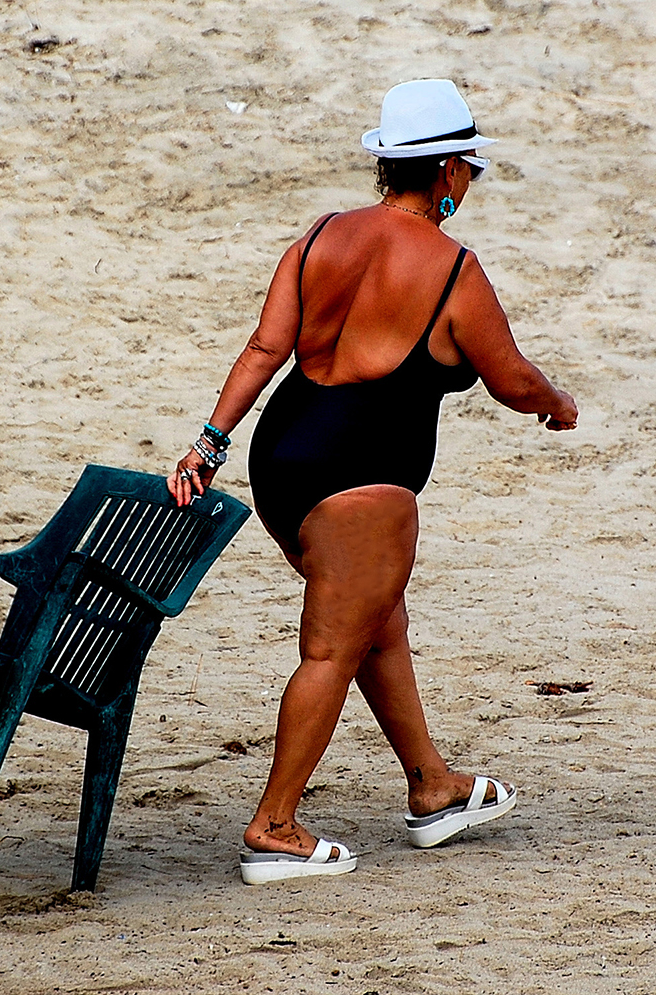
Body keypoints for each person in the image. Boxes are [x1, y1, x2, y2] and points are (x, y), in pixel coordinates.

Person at [167, 79, 579, 884]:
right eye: (470, 170)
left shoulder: (322, 236)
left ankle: (432, 785)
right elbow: (510, 378)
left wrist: (208, 445)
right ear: (450, 171)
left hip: (282, 461)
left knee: (375, 620)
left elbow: (265, 349)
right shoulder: (454, 271)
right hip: (361, 481)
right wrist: (557, 403)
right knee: (331, 648)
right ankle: (273, 827)